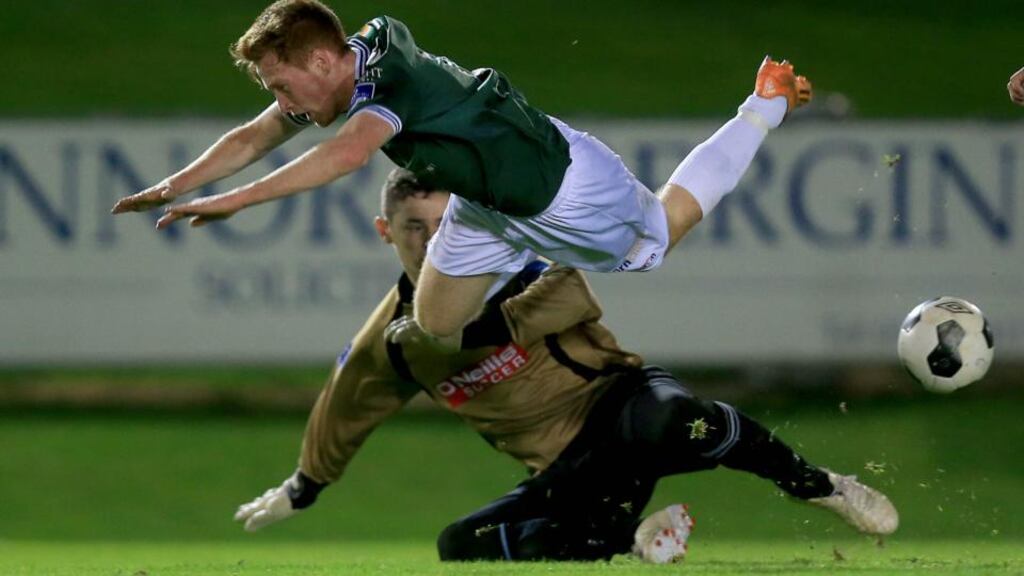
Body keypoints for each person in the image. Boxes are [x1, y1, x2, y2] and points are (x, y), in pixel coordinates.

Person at [231, 168, 898, 564]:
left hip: (621, 407)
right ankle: (633, 540)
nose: (433, 241)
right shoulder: (395, 339)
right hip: (568, 470)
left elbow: (570, 292)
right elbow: (349, 400)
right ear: (386, 233)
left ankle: (819, 486)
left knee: (670, 417)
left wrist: (469, 332)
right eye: (414, 228)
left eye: (444, 225)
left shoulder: (520, 262)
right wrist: (305, 486)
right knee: (461, 546)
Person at [110, 0, 812, 353]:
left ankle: (765, 103)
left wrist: (232, 202)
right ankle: (525, 323)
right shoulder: (345, 71)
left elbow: (348, 155)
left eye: (282, 85)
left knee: (659, 232)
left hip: (561, 187)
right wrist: (173, 185)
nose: (282, 103)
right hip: (482, 202)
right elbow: (255, 134)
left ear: (323, 62)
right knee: (434, 328)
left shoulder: (388, 84)